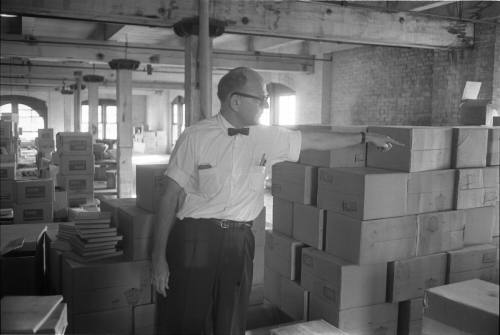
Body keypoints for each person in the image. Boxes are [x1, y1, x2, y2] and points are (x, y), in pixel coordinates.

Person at [152, 67, 403, 335]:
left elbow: (315, 140)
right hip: (196, 237)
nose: (266, 104)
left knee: (231, 318)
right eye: (260, 99)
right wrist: (158, 258)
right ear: (235, 101)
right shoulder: (195, 137)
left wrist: (365, 137)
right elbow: (169, 197)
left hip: (240, 241)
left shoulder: (267, 137)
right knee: (189, 316)